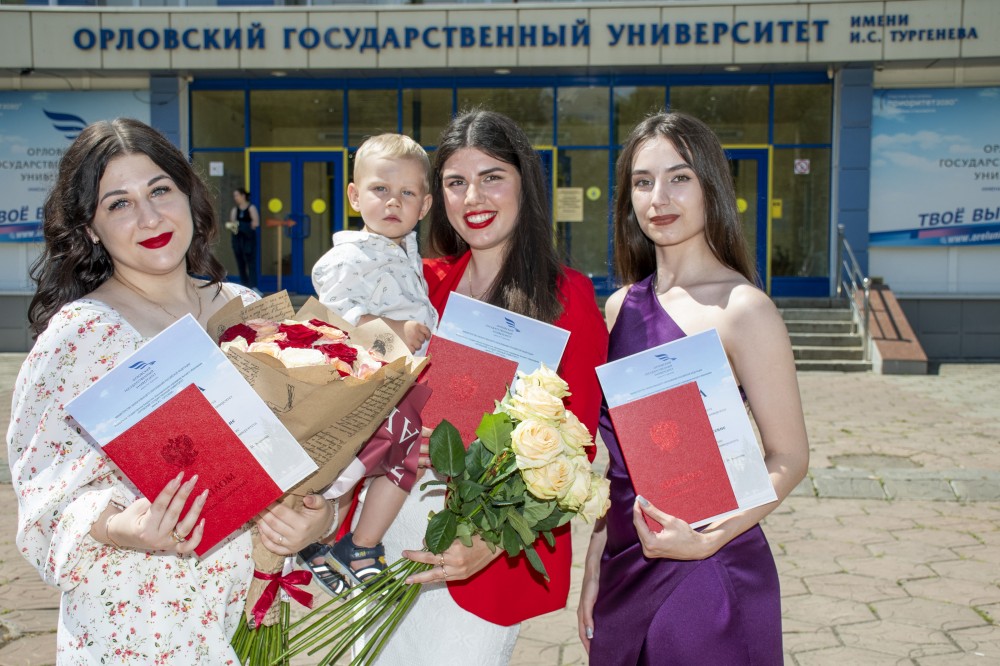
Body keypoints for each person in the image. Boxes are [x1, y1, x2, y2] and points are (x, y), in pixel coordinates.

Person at [7, 118, 338, 665]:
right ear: (91, 228)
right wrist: (123, 525)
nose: (149, 217)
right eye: (119, 203)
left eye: (160, 190)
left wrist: (318, 516)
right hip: (143, 624)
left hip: (252, 608)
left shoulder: (247, 309)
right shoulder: (81, 335)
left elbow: (313, 448)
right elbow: (45, 496)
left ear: (188, 195)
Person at [354, 109, 608, 665]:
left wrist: (489, 545)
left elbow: (577, 450)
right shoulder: (420, 285)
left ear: (525, 183)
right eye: (455, 182)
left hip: (477, 557)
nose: (474, 196)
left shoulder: (567, 299)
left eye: (492, 176)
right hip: (386, 533)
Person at [576, 111, 809, 665]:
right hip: (624, 565)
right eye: (643, 181)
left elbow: (790, 457)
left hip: (709, 566)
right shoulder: (620, 306)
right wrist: (593, 564)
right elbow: (625, 460)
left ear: (711, 187)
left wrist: (707, 539)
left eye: (679, 177)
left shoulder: (743, 309)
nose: (659, 197)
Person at [302, 133, 437, 593]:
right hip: (367, 383)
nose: (393, 202)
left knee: (404, 462)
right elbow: (334, 315)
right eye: (380, 189)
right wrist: (391, 327)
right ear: (355, 196)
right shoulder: (348, 256)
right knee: (350, 464)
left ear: (424, 205)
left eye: (407, 193)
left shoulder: (408, 253)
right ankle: (318, 538)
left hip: (402, 384)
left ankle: (359, 545)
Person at [228, 187, 259, 289]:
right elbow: (232, 226)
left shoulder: (251, 208)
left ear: (243, 196)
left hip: (249, 240)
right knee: (240, 263)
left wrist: (241, 225)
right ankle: (244, 286)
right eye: (234, 196)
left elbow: (255, 223)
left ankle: (253, 286)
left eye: (237, 195)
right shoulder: (235, 210)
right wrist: (241, 226)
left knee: (251, 263)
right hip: (238, 240)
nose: (235, 198)